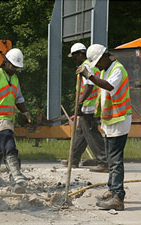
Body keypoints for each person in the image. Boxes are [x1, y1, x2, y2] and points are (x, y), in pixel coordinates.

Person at [77, 44, 132, 211]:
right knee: (111, 158)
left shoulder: (117, 69)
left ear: (103, 58)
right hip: (110, 120)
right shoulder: (104, 70)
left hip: (119, 120)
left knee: (115, 161)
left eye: (97, 63)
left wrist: (90, 76)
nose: (97, 67)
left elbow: (109, 86)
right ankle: (112, 189)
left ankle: (117, 196)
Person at [0, 48, 32, 194]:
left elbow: (18, 98)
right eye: (13, 66)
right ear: (6, 62)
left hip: (8, 119)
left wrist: (25, 112)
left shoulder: (14, 79)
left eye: (17, 67)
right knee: (10, 146)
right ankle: (16, 177)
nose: (15, 69)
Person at [61, 43, 108, 173]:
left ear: (80, 54)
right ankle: (74, 159)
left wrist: (80, 103)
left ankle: (104, 161)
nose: (73, 60)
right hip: (90, 105)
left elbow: (89, 86)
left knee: (91, 132)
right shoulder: (90, 65)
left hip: (90, 106)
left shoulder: (86, 66)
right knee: (82, 133)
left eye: (74, 57)